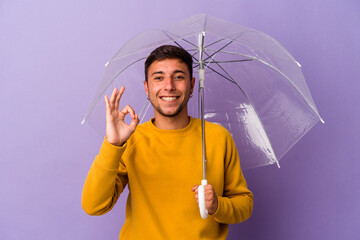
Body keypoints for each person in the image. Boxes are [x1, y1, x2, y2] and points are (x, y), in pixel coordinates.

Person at [82, 45, 253, 240]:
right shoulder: (131, 140)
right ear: (147, 87)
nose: (169, 86)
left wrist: (217, 205)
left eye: (179, 76)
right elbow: (93, 205)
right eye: (158, 77)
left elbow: (244, 205)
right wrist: (112, 144)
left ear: (192, 85)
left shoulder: (218, 137)